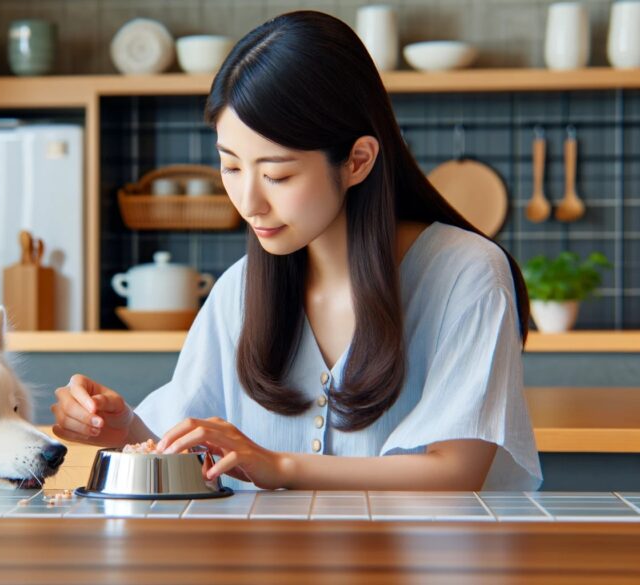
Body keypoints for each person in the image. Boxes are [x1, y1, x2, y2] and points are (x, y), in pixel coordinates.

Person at [50, 11, 541, 491]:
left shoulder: (467, 274)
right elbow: (185, 445)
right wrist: (121, 429)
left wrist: (280, 466)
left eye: (277, 174)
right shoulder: (240, 291)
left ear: (357, 160)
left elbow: (455, 471)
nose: (248, 202)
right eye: (231, 167)